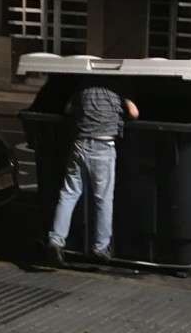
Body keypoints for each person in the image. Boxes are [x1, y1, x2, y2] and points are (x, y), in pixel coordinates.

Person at [46, 77, 139, 265]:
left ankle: (56, 241)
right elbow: (134, 113)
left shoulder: (83, 88)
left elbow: (68, 110)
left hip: (80, 144)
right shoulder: (118, 87)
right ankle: (100, 248)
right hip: (103, 146)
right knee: (103, 199)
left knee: (69, 194)